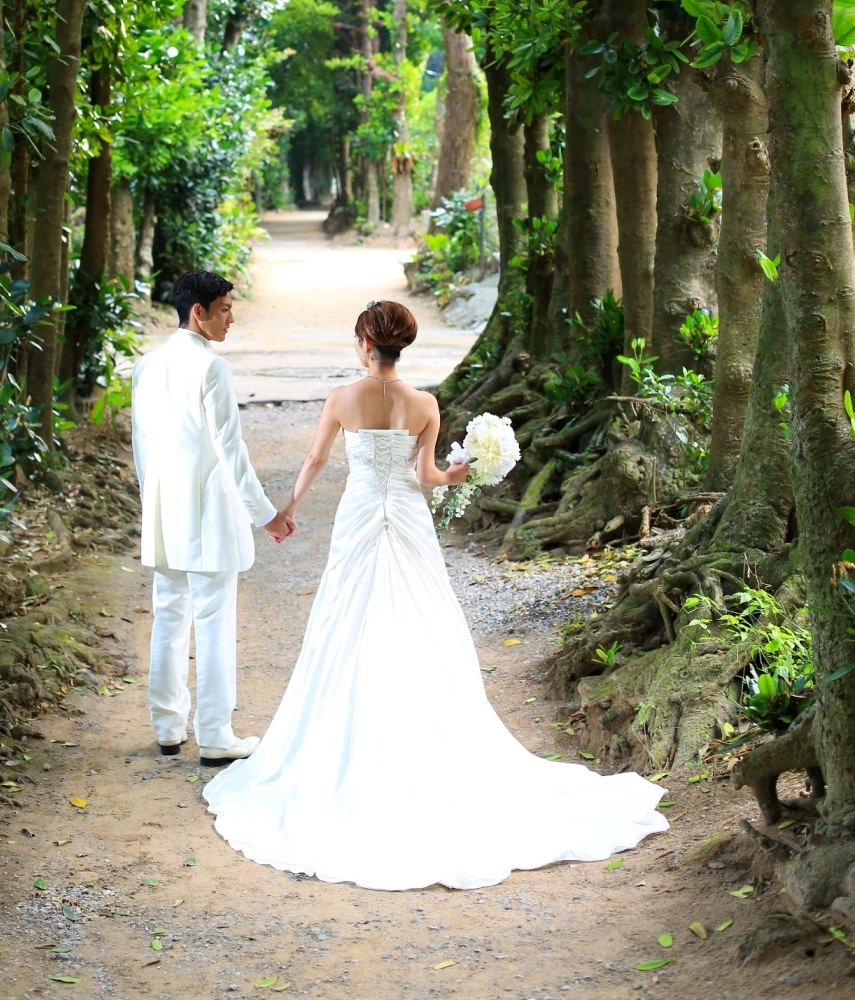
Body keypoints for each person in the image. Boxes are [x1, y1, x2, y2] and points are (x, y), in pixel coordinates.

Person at [204, 299, 668, 890]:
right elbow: (425, 476)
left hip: (359, 516)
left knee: (346, 619)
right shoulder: (424, 404)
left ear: (363, 344)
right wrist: (460, 473)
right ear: (401, 347)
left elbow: (317, 458)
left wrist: (285, 510)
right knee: (421, 618)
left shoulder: (343, 399)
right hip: (405, 514)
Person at [131, 269, 295, 768]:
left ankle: (167, 728)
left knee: (169, 616)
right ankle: (216, 735)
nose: (231, 316)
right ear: (197, 313)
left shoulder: (147, 365)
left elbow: (141, 447)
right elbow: (231, 450)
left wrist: (149, 500)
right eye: (224, 307)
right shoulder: (211, 368)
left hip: (163, 510)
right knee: (214, 622)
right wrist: (265, 514)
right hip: (205, 512)